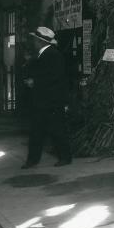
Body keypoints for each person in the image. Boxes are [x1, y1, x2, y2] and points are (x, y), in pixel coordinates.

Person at [22, 26, 72, 168]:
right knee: (36, 131)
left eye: (35, 40)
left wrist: (35, 81)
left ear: (41, 42)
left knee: (57, 130)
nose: (34, 42)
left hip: (52, 101)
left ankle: (65, 157)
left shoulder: (54, 55)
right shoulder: (41, 55)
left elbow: (55, 77)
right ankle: (33, 160)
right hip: (42, 100)